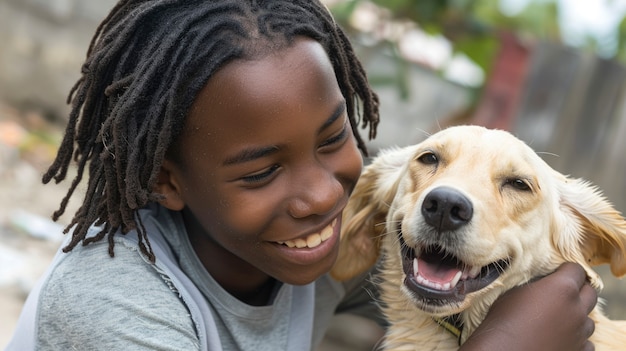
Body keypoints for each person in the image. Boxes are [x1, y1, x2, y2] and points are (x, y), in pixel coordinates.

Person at [7, 0, 597, 350]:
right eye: (262, 171)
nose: (323, 195)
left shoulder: (347, 229)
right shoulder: (110, 305)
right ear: (168, 182)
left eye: (333, 137)